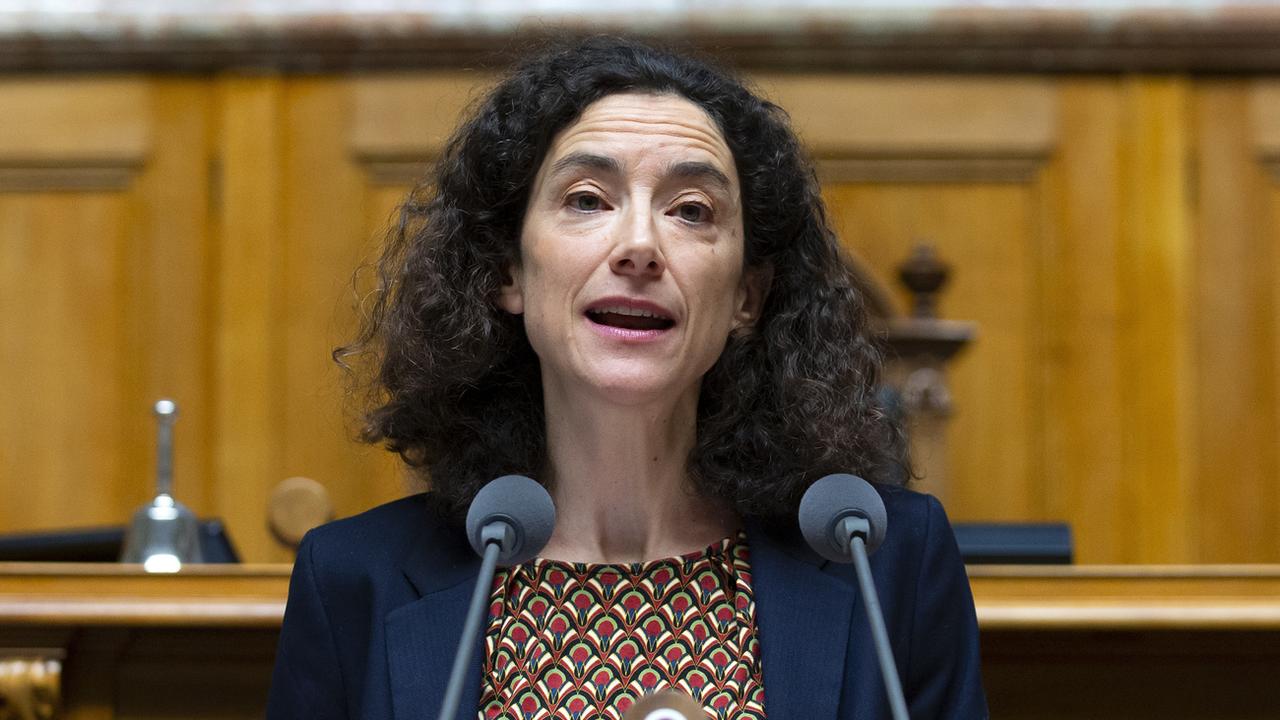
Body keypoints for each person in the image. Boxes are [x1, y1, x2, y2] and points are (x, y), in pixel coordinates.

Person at [267, 36, 987, 720]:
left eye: (690, 212)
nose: (640, 246)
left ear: (747, 296)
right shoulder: (353, 581)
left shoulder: (888, 566)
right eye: (587, 199)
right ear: (506, 273)